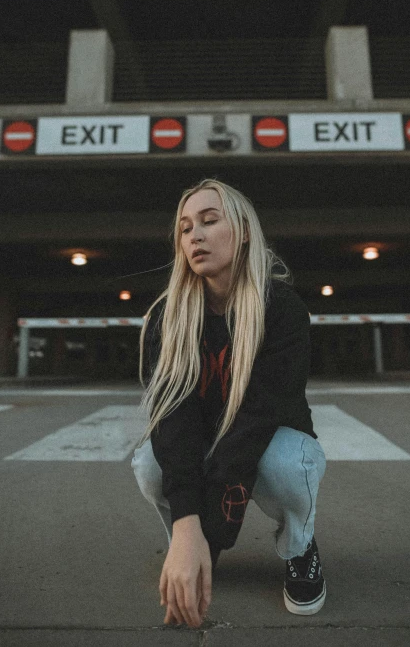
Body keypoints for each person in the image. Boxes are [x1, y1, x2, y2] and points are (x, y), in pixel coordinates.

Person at [131, 178, 327, 629]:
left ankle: (300, 547)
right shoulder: (168, 316)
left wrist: (215, 529)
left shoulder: (282, 309)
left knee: (284, 462)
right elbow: (171, 418)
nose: (194, 235)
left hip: (265, 441)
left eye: (209, 220)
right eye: (184, 228)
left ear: (242, 231)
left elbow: (257, 419)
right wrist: (187, 523)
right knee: (150, 463)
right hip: (201, 444)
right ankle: (190, 548)